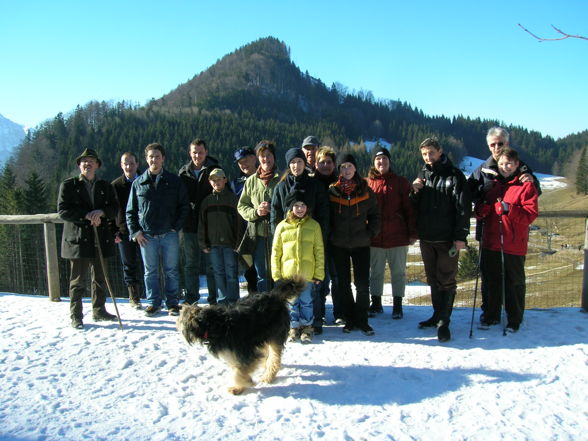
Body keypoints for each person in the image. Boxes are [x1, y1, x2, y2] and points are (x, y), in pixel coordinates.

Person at [468, 127, 541, 322]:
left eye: (500, 143)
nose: (497, 147)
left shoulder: (521, 169)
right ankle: (489, 312)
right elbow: (469, 192)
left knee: (513, 280)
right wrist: (479, 207)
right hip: (488, 233)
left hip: (512, 237)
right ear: (488, 146)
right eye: (493, 144)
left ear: (507, 144)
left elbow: (533, 197)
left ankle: (513, 316)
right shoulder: (482, 169)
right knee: (490, 279)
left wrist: (530, 182)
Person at [411, 137, 471, 342]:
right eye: (424, 154)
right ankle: (436, 315)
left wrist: (460, 236)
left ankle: (445, 322)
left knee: (447, 279)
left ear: (440, 151)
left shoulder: (454, 176)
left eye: (431, 153)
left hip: (446, 238)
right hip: (427, 237)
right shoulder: (423, 175)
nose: (428, 157)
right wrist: (415, 190)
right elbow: (414, 205)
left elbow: (463, 208)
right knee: (432, 279)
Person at [57, 148, 118, 329]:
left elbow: (114, 208)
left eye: (91, 161)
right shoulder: (68, 185)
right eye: (84, 161)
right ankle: (76, 316)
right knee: (77, 281)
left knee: (100, 277)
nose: (87, 164)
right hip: (78, 239)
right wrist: (86, 215)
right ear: (79, 165)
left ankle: (99, 310)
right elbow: (63, 211)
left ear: (97, 165)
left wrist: (102, 212)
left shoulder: (105, 186)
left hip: (100, 238)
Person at [127, 143, 189, 317]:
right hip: (147, 236)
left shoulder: (174, 181)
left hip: (169, 234)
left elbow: (184, 206)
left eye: (157, 156)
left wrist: (175, 228)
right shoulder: (138, 183)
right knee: (150, 272)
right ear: (146, 159)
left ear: (163, 158)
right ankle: (153, 303)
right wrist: (136, 232)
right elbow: (130, 211)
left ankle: (172, 303)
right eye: (151, 157)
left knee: (171, 270)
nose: (154, 159)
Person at [328, 153, 380, 336]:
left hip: (361, 244)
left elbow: (375, 215)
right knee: (344, 284)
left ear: (355, 168)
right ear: (339, 169)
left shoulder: (365, 190)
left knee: (362, 284)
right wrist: (331, 235)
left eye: (349, 166)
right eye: (343, 167)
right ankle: (350, 319)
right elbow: (327, 217)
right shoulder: (332, 191)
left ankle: (362, 319)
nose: (346, 170)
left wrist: (370, 233)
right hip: (339, 244)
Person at [367, 146, 417, 319]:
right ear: (374, 162)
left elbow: (409, 210)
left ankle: (397, 305)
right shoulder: (368, 183)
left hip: (398, 237)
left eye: (385, 159)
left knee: (398, 272)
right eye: (378, 159)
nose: (382, 162)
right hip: (375, 238)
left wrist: (412, 233)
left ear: (389, 161)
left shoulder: (401, 182)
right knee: (376, 272)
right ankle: (376, 304)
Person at [271, 192, 324, 343]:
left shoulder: (314, 226)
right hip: (288, 275)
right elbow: (276, 252)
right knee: (291, 302)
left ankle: (307, 327)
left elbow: (319, 250)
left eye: (303, 205)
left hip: (307, 275)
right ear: (290, 207)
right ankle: (293, 327)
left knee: (307, 301)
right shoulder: (282, 226)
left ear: (307, 208)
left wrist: (318, 274)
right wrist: (276, 275)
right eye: (296, 205)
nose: (299, 208)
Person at [178, 138, 221, 305]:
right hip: (189, 226)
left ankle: (213, 299)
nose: (197, 155)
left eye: (200, 152)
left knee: (211, 266)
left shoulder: (215, 169)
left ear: (206, 152)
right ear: (190, 153)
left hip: (210, 226)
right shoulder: (183, 172)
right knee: (190, 265)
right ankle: (191, 298)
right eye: (194, 152)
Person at [237, 140, 280, 293]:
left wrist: (273, 210)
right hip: (259, 236)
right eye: (262, 156)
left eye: (269, 155)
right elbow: (241, 206)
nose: (266, 159)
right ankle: (265, 309)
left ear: (274, 157)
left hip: (279, 236)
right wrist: (256, 212)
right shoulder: (251, 181)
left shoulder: (282, 179)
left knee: (279, 274)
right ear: (257, 158)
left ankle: (280, 308)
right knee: (262, 275)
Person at [199, 168, 241, 304]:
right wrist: (202, 243)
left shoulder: (233, 199)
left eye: (219, 179)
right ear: (210, 182)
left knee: (231, 274)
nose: (216, 182)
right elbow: (202, 224)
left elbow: (239, 223)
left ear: (225, 180)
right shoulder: (206, 201)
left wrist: (238, 242)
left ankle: (233, 301)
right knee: (218, 274)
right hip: (213, 245)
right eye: (213, 180)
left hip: (230, 244)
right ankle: (222, 302)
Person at [313, 146, 341, 327]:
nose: (325, 165)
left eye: (328, 162)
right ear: (315, 164)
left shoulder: (340, 182)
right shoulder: (311, 183)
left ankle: (340, 312)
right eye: (321, 162)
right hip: (317, 239)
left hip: (337, 238)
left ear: (334, 164)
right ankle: (319, 312)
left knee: (337, 277)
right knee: (319, 279)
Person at [111, 152, 143, 309]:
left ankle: (154, 296)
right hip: (124, 232)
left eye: (131, 163)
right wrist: (114, 231)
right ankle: (134, 297)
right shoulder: (115, 186)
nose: (129, 166)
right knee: (128, 265)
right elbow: (111, 211)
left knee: (149, 265)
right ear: (121, 165)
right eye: (126, 163)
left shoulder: (145, 181)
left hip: (145, 231)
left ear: (137, 164)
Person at [230, 146, 258, 293]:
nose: (243, 164)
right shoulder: (235, 184)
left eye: (246, 160)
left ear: (254, 158)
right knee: (249, 270)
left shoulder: (265, 177)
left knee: (266, 270)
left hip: (261, 231)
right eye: (240, 162)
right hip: (244, 234)